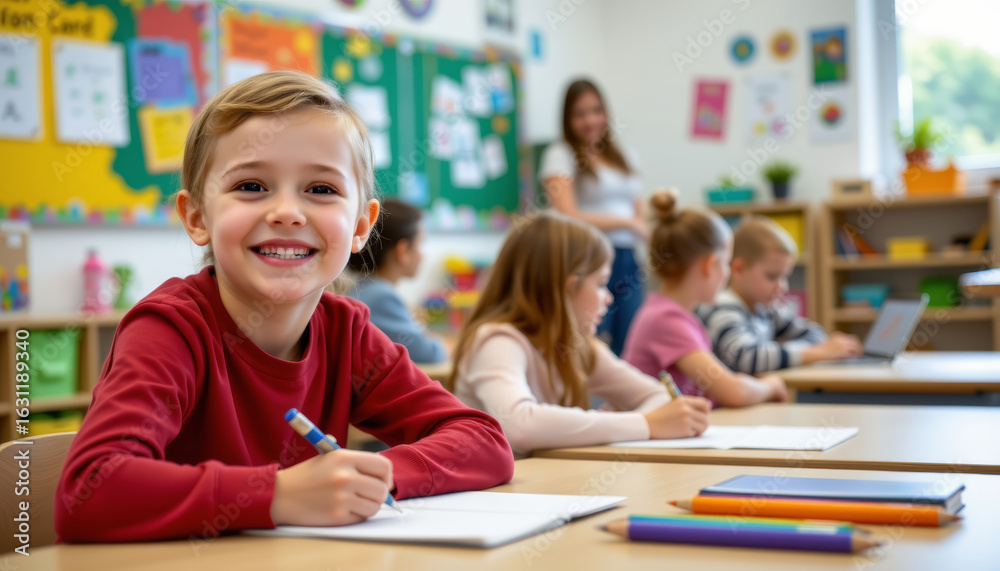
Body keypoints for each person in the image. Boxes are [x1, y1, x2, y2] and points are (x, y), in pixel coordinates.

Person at [55, 71, 513, 542]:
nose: (287, 212)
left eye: (321, 189)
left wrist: (369, 477)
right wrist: (277, 494)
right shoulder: (171, 329)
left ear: (360, 226)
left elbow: (484, 442)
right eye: (252, 186)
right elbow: (88, 492)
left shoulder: (346, 331)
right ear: (196, 217)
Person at [446, 211, 711, 456]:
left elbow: (659, 398)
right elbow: (519, 425)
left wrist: (646, 422)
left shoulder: (580, 348)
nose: (608, 298)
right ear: (567, 288)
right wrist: (644, 424)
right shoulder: (497, 341)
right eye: (600, 284)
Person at [622, 191, 787, 408]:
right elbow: (733, 392)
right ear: (709, 265)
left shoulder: (671, 313)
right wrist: (771, 386)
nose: (727, 273)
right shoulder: (667, 319)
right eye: (726, 263)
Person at [539, 79, 647, 355]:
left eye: (596, 111)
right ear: (568, 118)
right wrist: (627, 223)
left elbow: (639, 209)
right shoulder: (560, 154)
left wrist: (640, 226)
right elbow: (568, 214)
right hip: (588, 261)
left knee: (632, 341)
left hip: (627, 259)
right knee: (589, 342)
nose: (590, 120)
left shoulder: (624, 155)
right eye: (580, 114)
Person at [697, 216, 862, 373]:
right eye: (772, 276)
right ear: (739, 268)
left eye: (785, 276)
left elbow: (815, 333)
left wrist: (819, 349)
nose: (782, 287)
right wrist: (818, 353)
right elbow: (746, 357)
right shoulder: (723, 308)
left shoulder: (765, 310)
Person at [347, 199, 448, 363]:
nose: (423, 254)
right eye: (420, 244)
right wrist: (442, 345)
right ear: (402, 251)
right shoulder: (381, 297)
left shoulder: (365, 288)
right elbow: (428, 353)